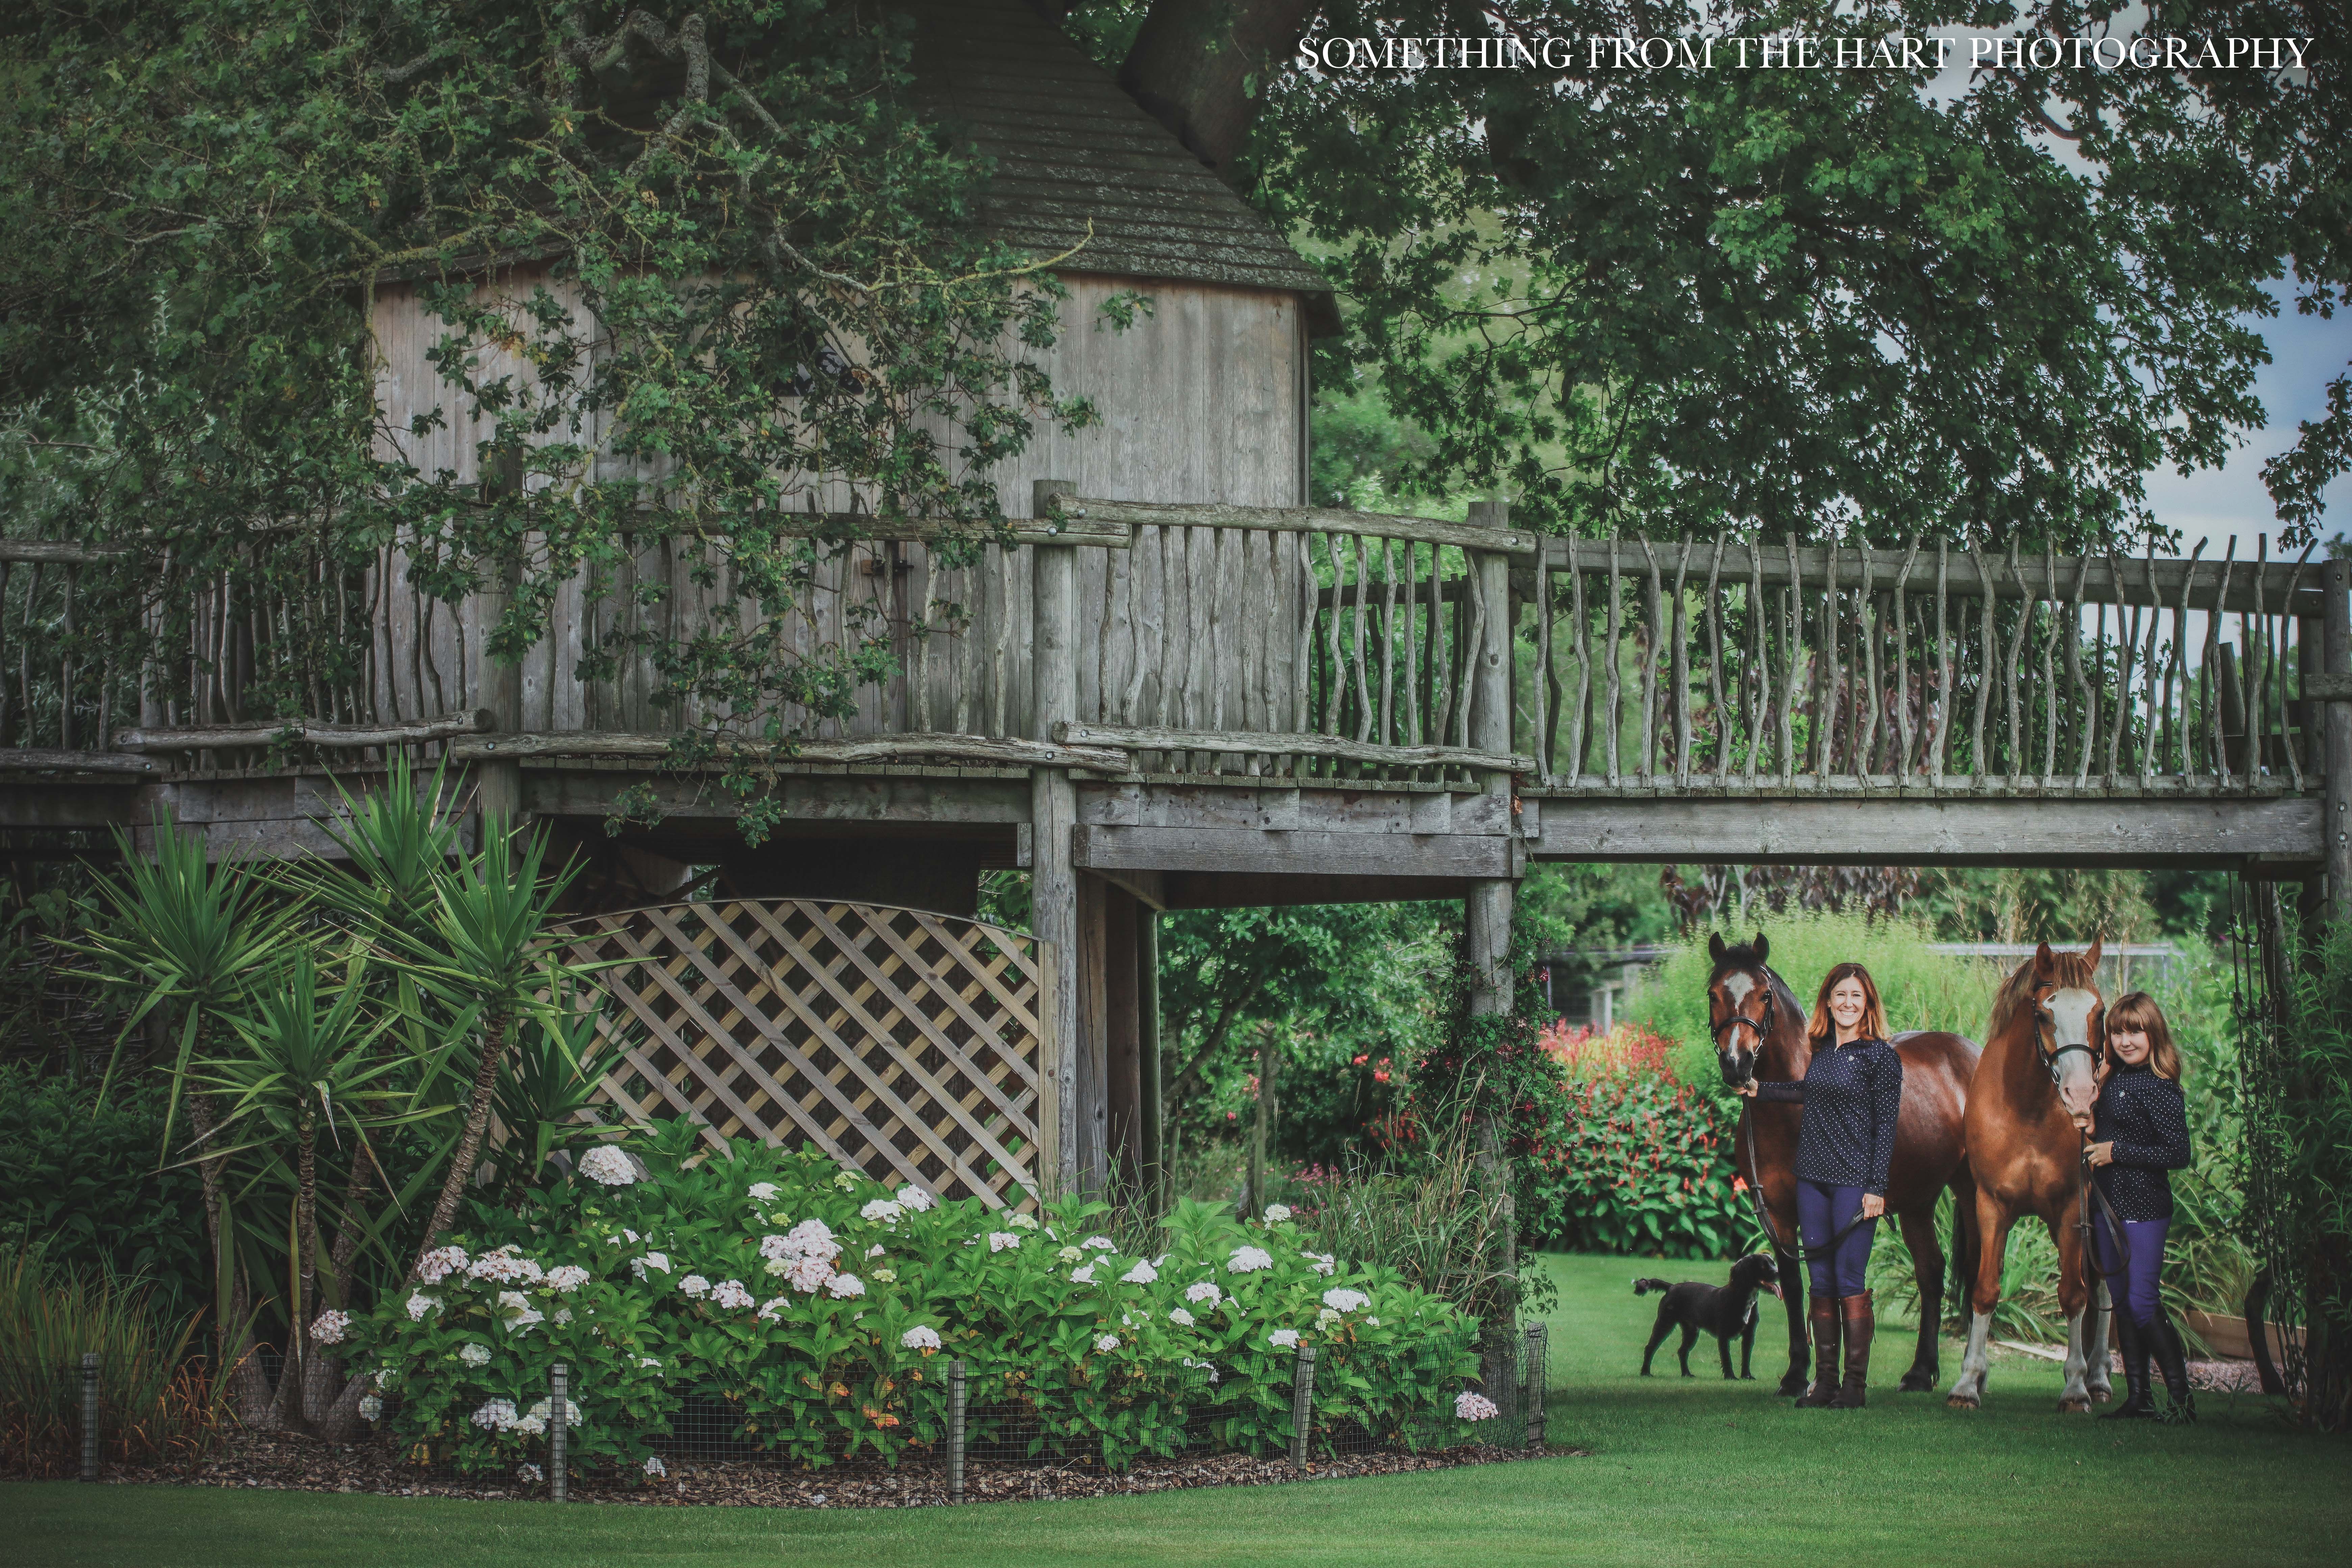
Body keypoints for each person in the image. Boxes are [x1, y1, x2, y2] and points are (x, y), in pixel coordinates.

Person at [1735, 962, 1903, 1408]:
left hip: (1854, 1183)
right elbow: (1807, 1092)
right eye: (1840, 995)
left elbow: (1887, 1127)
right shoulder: (1823, 1051)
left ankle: (1854, 1387)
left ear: (1868, 1004)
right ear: (1828, 1001)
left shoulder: (1881, 1057)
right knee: (1822, 1280)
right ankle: (1825, 1383)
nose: (1848, 1003)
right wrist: (1760, 1089)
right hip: (1812, 1180)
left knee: (1849, 1279)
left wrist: (1877, 1188)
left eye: (1856, 996)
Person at [2089, 991, 2196, 1423]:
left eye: (2135, 1031)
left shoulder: (2161, 1086)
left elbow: (2179, 1153)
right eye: (2118, 1032)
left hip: (2145, 1207)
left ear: (2154, 1033)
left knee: (2143, 1301)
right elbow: (2103, 1133)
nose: (2125, 1040)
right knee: (2122, 1301)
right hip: (2106, 1206)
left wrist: (2117, 1151)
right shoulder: (2114, 1078)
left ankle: (2183, 1401)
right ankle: (2139, 1398)